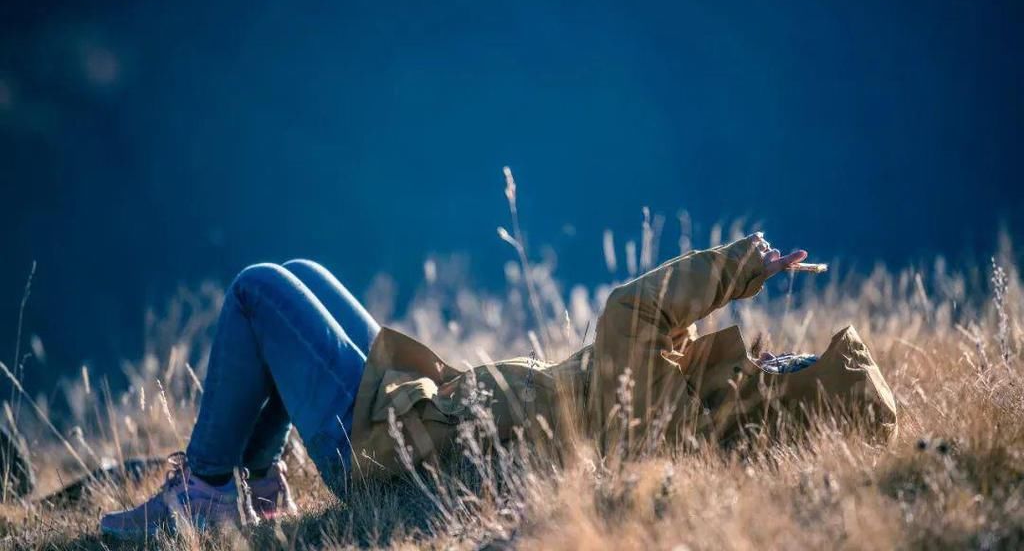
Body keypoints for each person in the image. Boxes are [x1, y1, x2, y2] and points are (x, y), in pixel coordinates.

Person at [100, 233, 897, 538]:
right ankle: (259, 481)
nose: (779, 358)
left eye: (792, 371)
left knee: (255, 288)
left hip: (390, 444)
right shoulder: (684, 406)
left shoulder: (668, 407)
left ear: (775, 406)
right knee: (302, 272)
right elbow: (658, 342)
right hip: (425, 419)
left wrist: (735, 267)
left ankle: (208, 487)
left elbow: (631, 312)